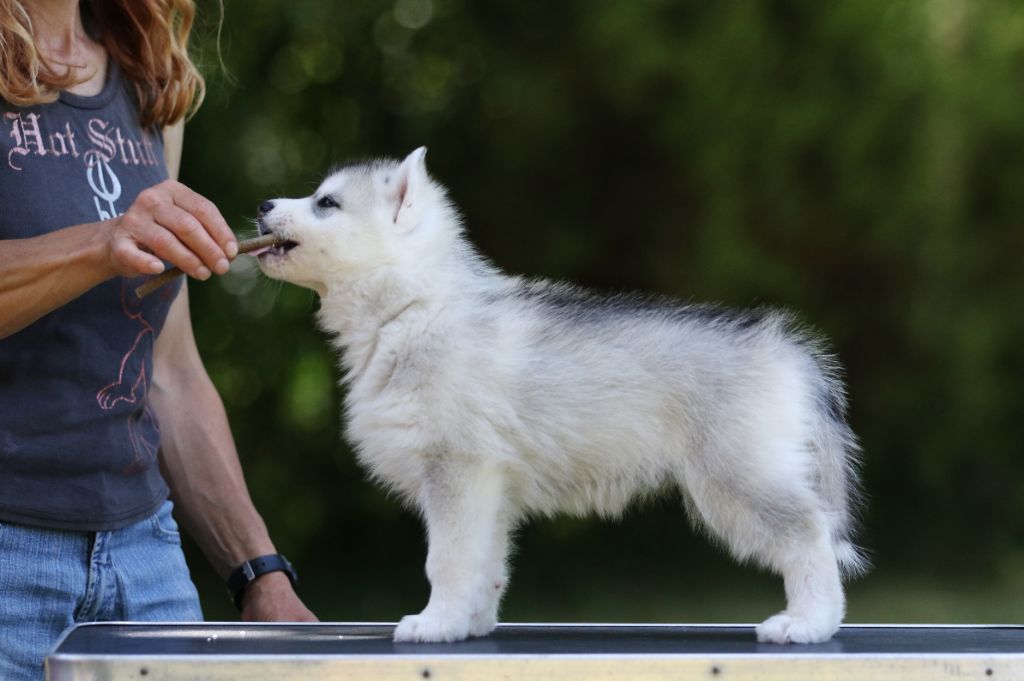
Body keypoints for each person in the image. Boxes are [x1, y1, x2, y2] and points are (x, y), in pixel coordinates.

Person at [0, 1, 317, 678]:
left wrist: (260, 574)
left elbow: (168, 371)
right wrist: (102, 243)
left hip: (145, 560)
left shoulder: (146, 75)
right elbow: (112, 244)